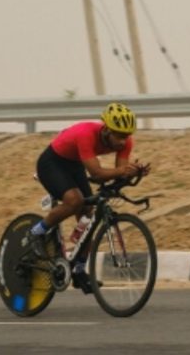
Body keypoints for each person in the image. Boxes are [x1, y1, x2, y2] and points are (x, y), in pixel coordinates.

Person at [26, 102, 150, 290]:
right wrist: (123, 171)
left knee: (88, 216)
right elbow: (97, 174)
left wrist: (133, 172)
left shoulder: (125, 142)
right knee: (74, 201)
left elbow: (120, 171)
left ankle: (79, 272)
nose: (123, 141)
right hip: (52, 163)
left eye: (126, 136)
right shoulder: (86, 134)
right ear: (107, 130)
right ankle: (35, 233)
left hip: (75, 164)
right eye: (119, 135)